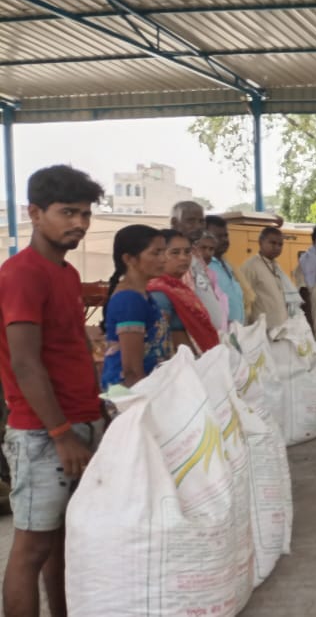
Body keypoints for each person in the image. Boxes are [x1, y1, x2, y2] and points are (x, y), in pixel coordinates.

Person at [0, 166, 104, 617]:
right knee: (31, 548)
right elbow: (25, 362)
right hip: (43, 433)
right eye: (67, 212)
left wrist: (94, 407)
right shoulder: (22, 274)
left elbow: (72, 346)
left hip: (78, 422)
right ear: (35, 213)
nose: (79, 223)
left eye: (85, 214)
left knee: (62, 541)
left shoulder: (65, 272)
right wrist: (61, 433)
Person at [100, 225, 168, 390]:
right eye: (156, 253)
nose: (163, 259)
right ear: (129, 259)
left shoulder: (142, 295)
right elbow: (132, 371)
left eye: (164, 252)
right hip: (132, 392)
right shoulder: (129, 300)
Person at [148, 230, 220, 355]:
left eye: (187, 252)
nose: (184, 257)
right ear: (159, 256)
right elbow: (160, 340)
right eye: (175, 253)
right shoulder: (159, 293)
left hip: (197, 359)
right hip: (176, 362)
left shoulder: (180, 289)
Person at [170, 201, 227, 331]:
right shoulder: (168, 255)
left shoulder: (196, 253)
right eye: (191, 221)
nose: (198, 226)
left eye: (201, 221)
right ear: (174, 222)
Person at [240, 227, 303, 329]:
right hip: (262, 331)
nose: (277, 247)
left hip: (280, 329)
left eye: (280, 244)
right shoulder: (250, 266)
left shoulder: (276, 266)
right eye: (273, 243)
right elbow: (243, 301)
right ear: (260, 242)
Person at [205, 215, 248, 325]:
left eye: (226, 235)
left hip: (237, 330)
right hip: (218, 331)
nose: (224, 240)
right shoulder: (204, 266)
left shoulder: (228, 265)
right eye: (218, 236)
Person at [194, 231, 230, 332]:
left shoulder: (211, 274)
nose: (207, 253)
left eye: (211, 249)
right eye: (203, 248)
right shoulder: (190, 272)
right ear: (194, 248)